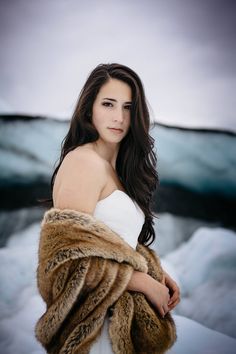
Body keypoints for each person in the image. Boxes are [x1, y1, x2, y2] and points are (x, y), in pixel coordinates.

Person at [48, 63, 180, 352]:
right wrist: (143, 282)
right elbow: (68, 261)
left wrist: (154, 272)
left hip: (118, 319)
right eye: (108, 104)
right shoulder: (83, 162)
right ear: (89, 109)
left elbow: (115, 240)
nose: (119, 117)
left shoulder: (116, 169)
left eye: (128, 107)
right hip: (94, 329)